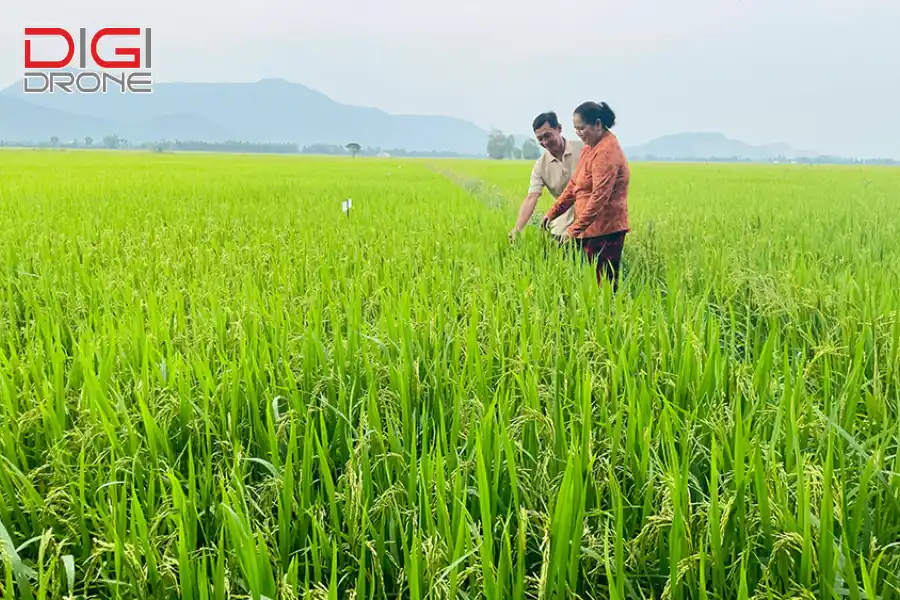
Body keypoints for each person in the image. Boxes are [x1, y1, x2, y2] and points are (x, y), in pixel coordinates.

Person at [541, 101, 630, 290]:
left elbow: (599, 197)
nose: (579, 133)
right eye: (576, 129)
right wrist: (552, 213)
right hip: (590, 230)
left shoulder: (607, 151)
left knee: (604, 287)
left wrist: (573, 229)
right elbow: (574, 185)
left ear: (598, 124)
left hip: (606, 232)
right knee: (590, 285)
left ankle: (608, 319)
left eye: (582, 128)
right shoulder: (590, 148)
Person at [508, 111, 584, 242]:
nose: (545, 142)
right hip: (562, 229)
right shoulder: (540, 166)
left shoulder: (584, 149)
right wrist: (517, 228)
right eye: (540, 139)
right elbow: (532, 197)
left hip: (591, 226)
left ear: (559, 128)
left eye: (548, 135)